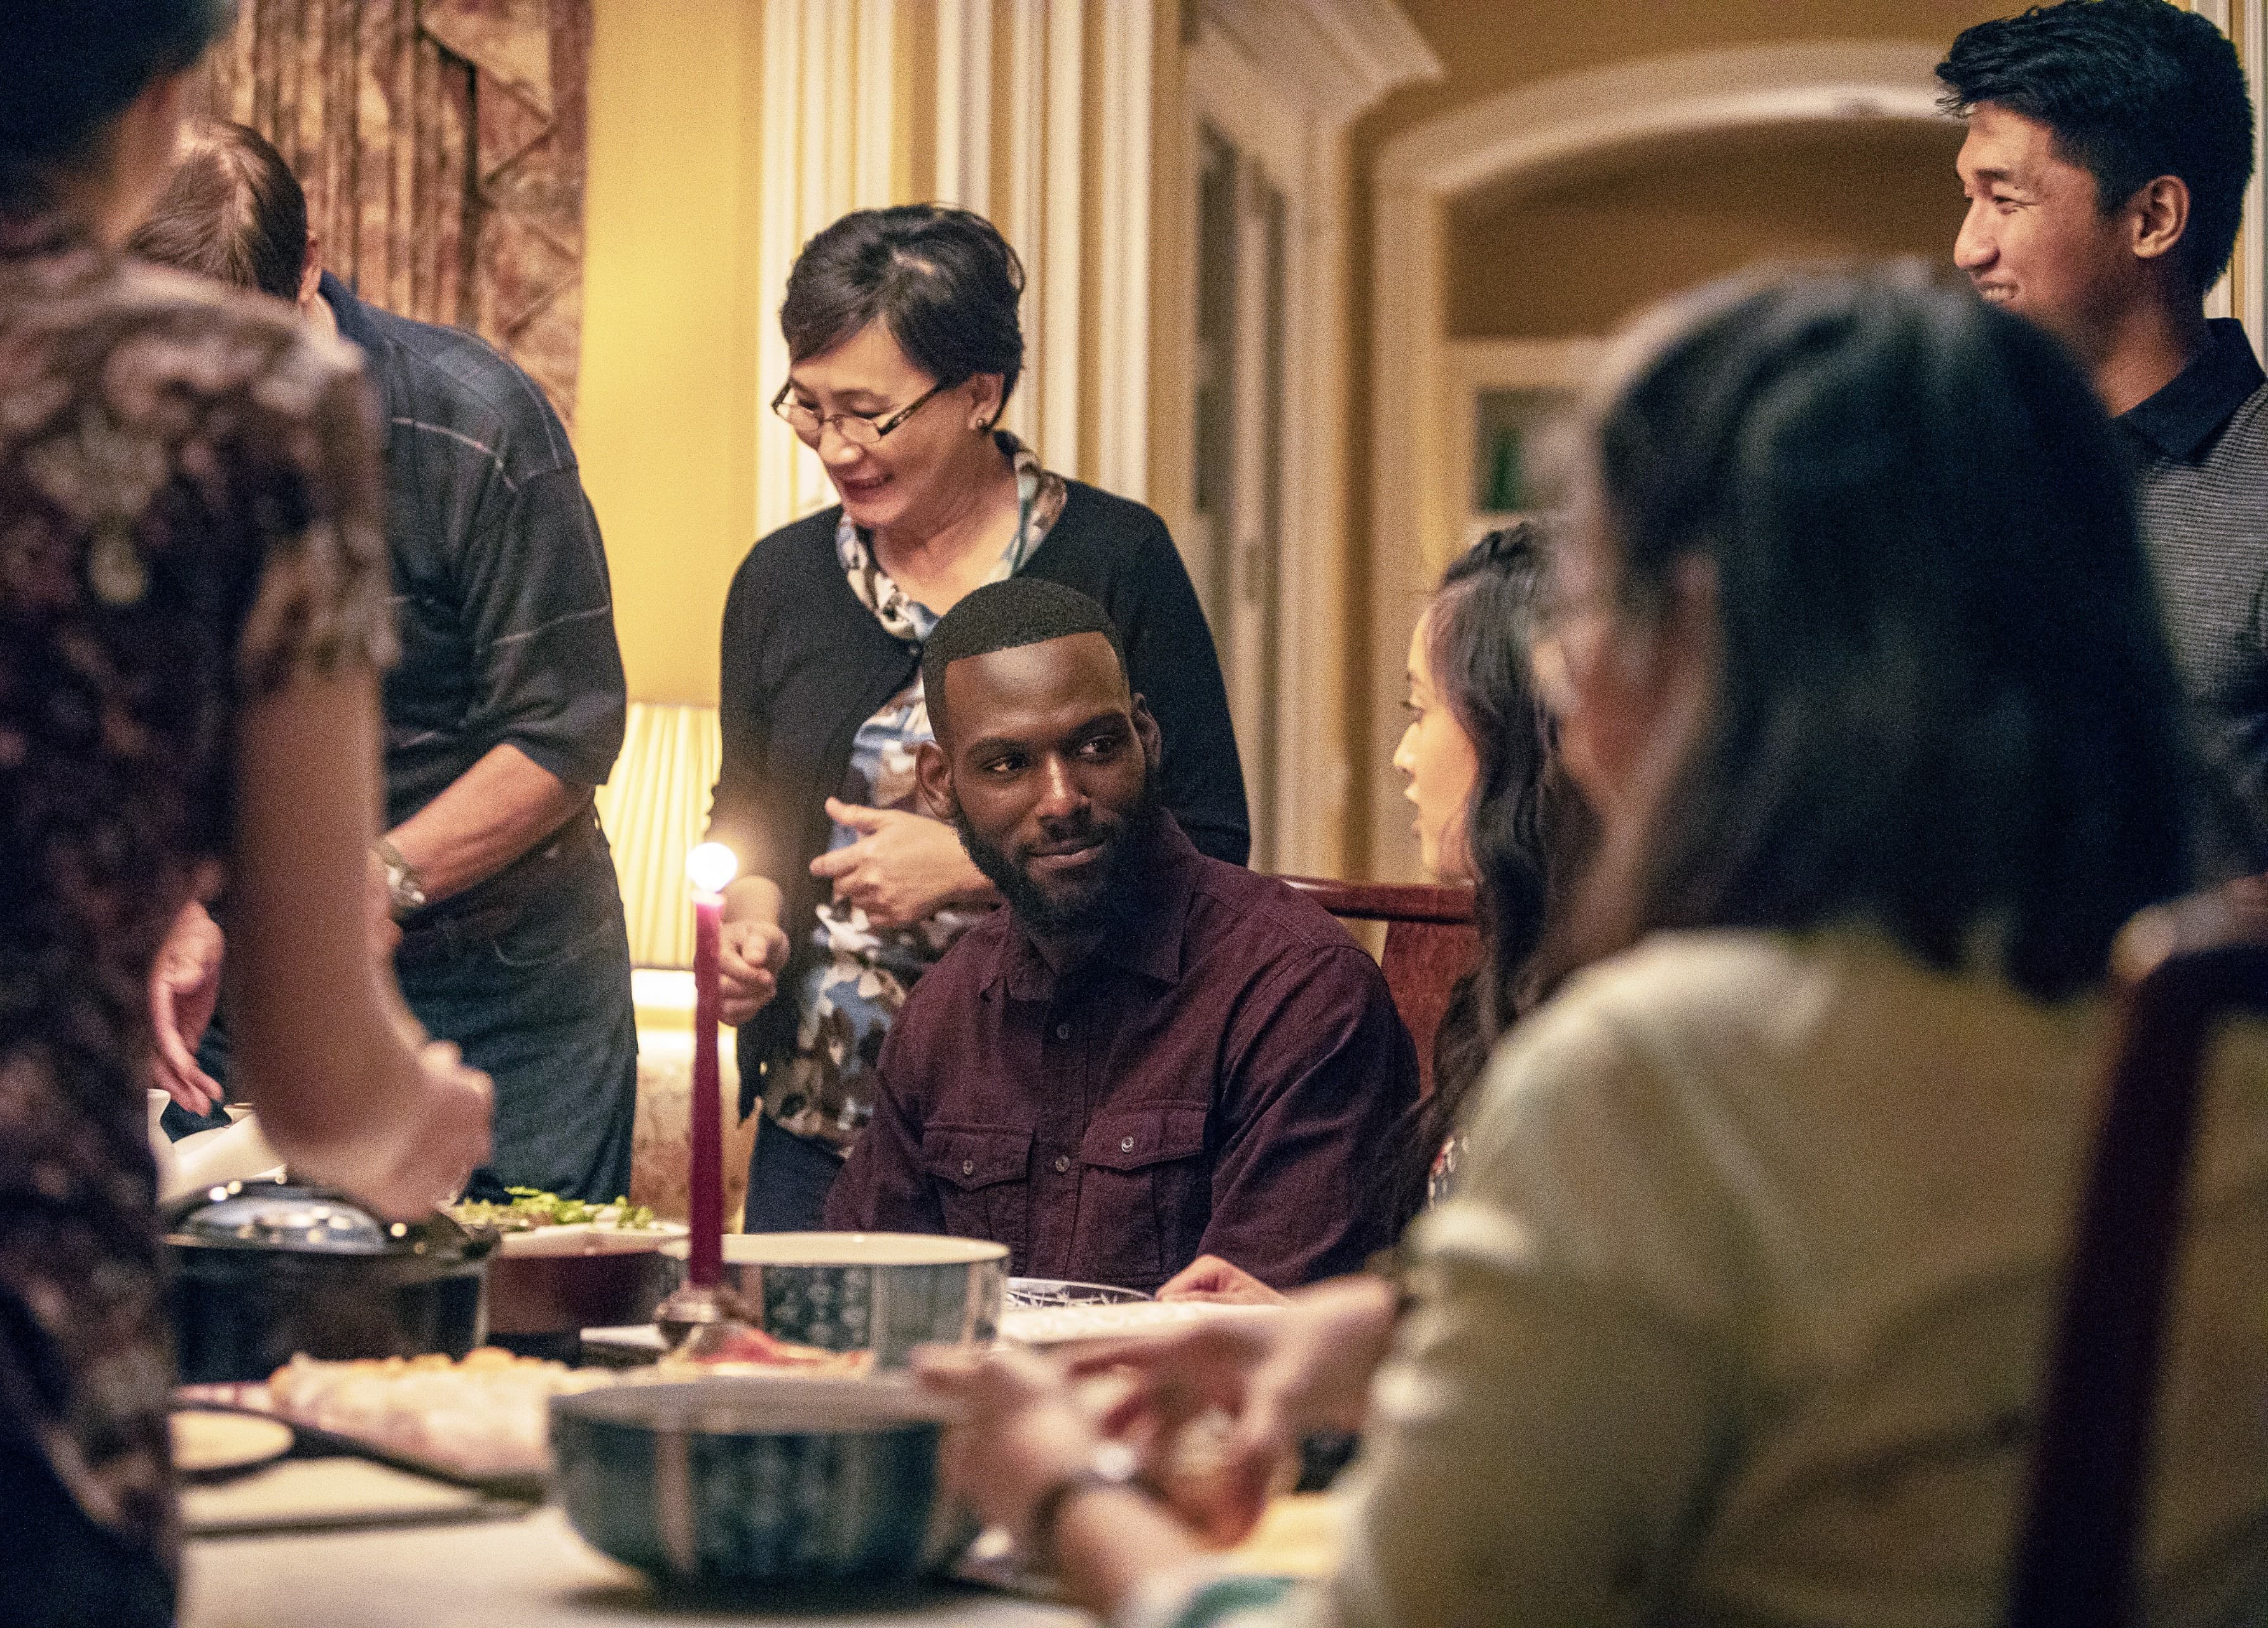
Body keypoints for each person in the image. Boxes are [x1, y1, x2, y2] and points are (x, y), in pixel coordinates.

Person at [918, 267, 2268, 1625]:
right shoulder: (2188, 1018)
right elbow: (1892, 1338)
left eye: (1591, 591)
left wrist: (1052, 1484)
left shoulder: (1673, 1067)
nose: (1559, 668)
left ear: (1704, 642)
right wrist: (1376, 1336)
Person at [0, 6, 490, 1624]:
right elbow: (323, 1077)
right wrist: (419, 1120)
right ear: (162, 91)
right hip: (13, 1353)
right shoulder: (247, 395)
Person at [710, 205, 1250, 1232]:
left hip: (1061, 1139)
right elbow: (749, 805)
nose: (836, 446)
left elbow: (1212, 843)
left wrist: (966, 861)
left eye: (869, 413)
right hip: (822, 1133)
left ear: (978, 396)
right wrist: (750, 922)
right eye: (810, 408)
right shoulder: (780, 580)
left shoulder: (1115, 560)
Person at [130, 120, 637, 1203]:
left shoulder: (475, 420)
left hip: (504, 991)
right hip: (241, 968)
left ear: (309, 259)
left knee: (503, 1329)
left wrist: (376, 879)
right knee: (240, 1321)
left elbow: (567, 729)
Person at [824, 578, 1416, 1292]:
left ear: (1147, 736)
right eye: (1007, 764)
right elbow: (861, 1298)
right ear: (941, 784)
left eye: (1097, 746)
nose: (1061, 799)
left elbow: (1264, 1354)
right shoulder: (943, 1013)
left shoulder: (1300, 990)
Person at [1162, 525, 1594, 1305]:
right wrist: (1295, 1324)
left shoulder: (1603, 1010)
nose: (1403, 754)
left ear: (1514, 731)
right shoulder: (1518, 968)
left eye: (1420, 709)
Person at [1945, 0, 2268, 864]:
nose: (1967, 247)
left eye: (2002, 199)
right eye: (1968, 197)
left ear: (2154, 218)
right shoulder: (1961, 474)